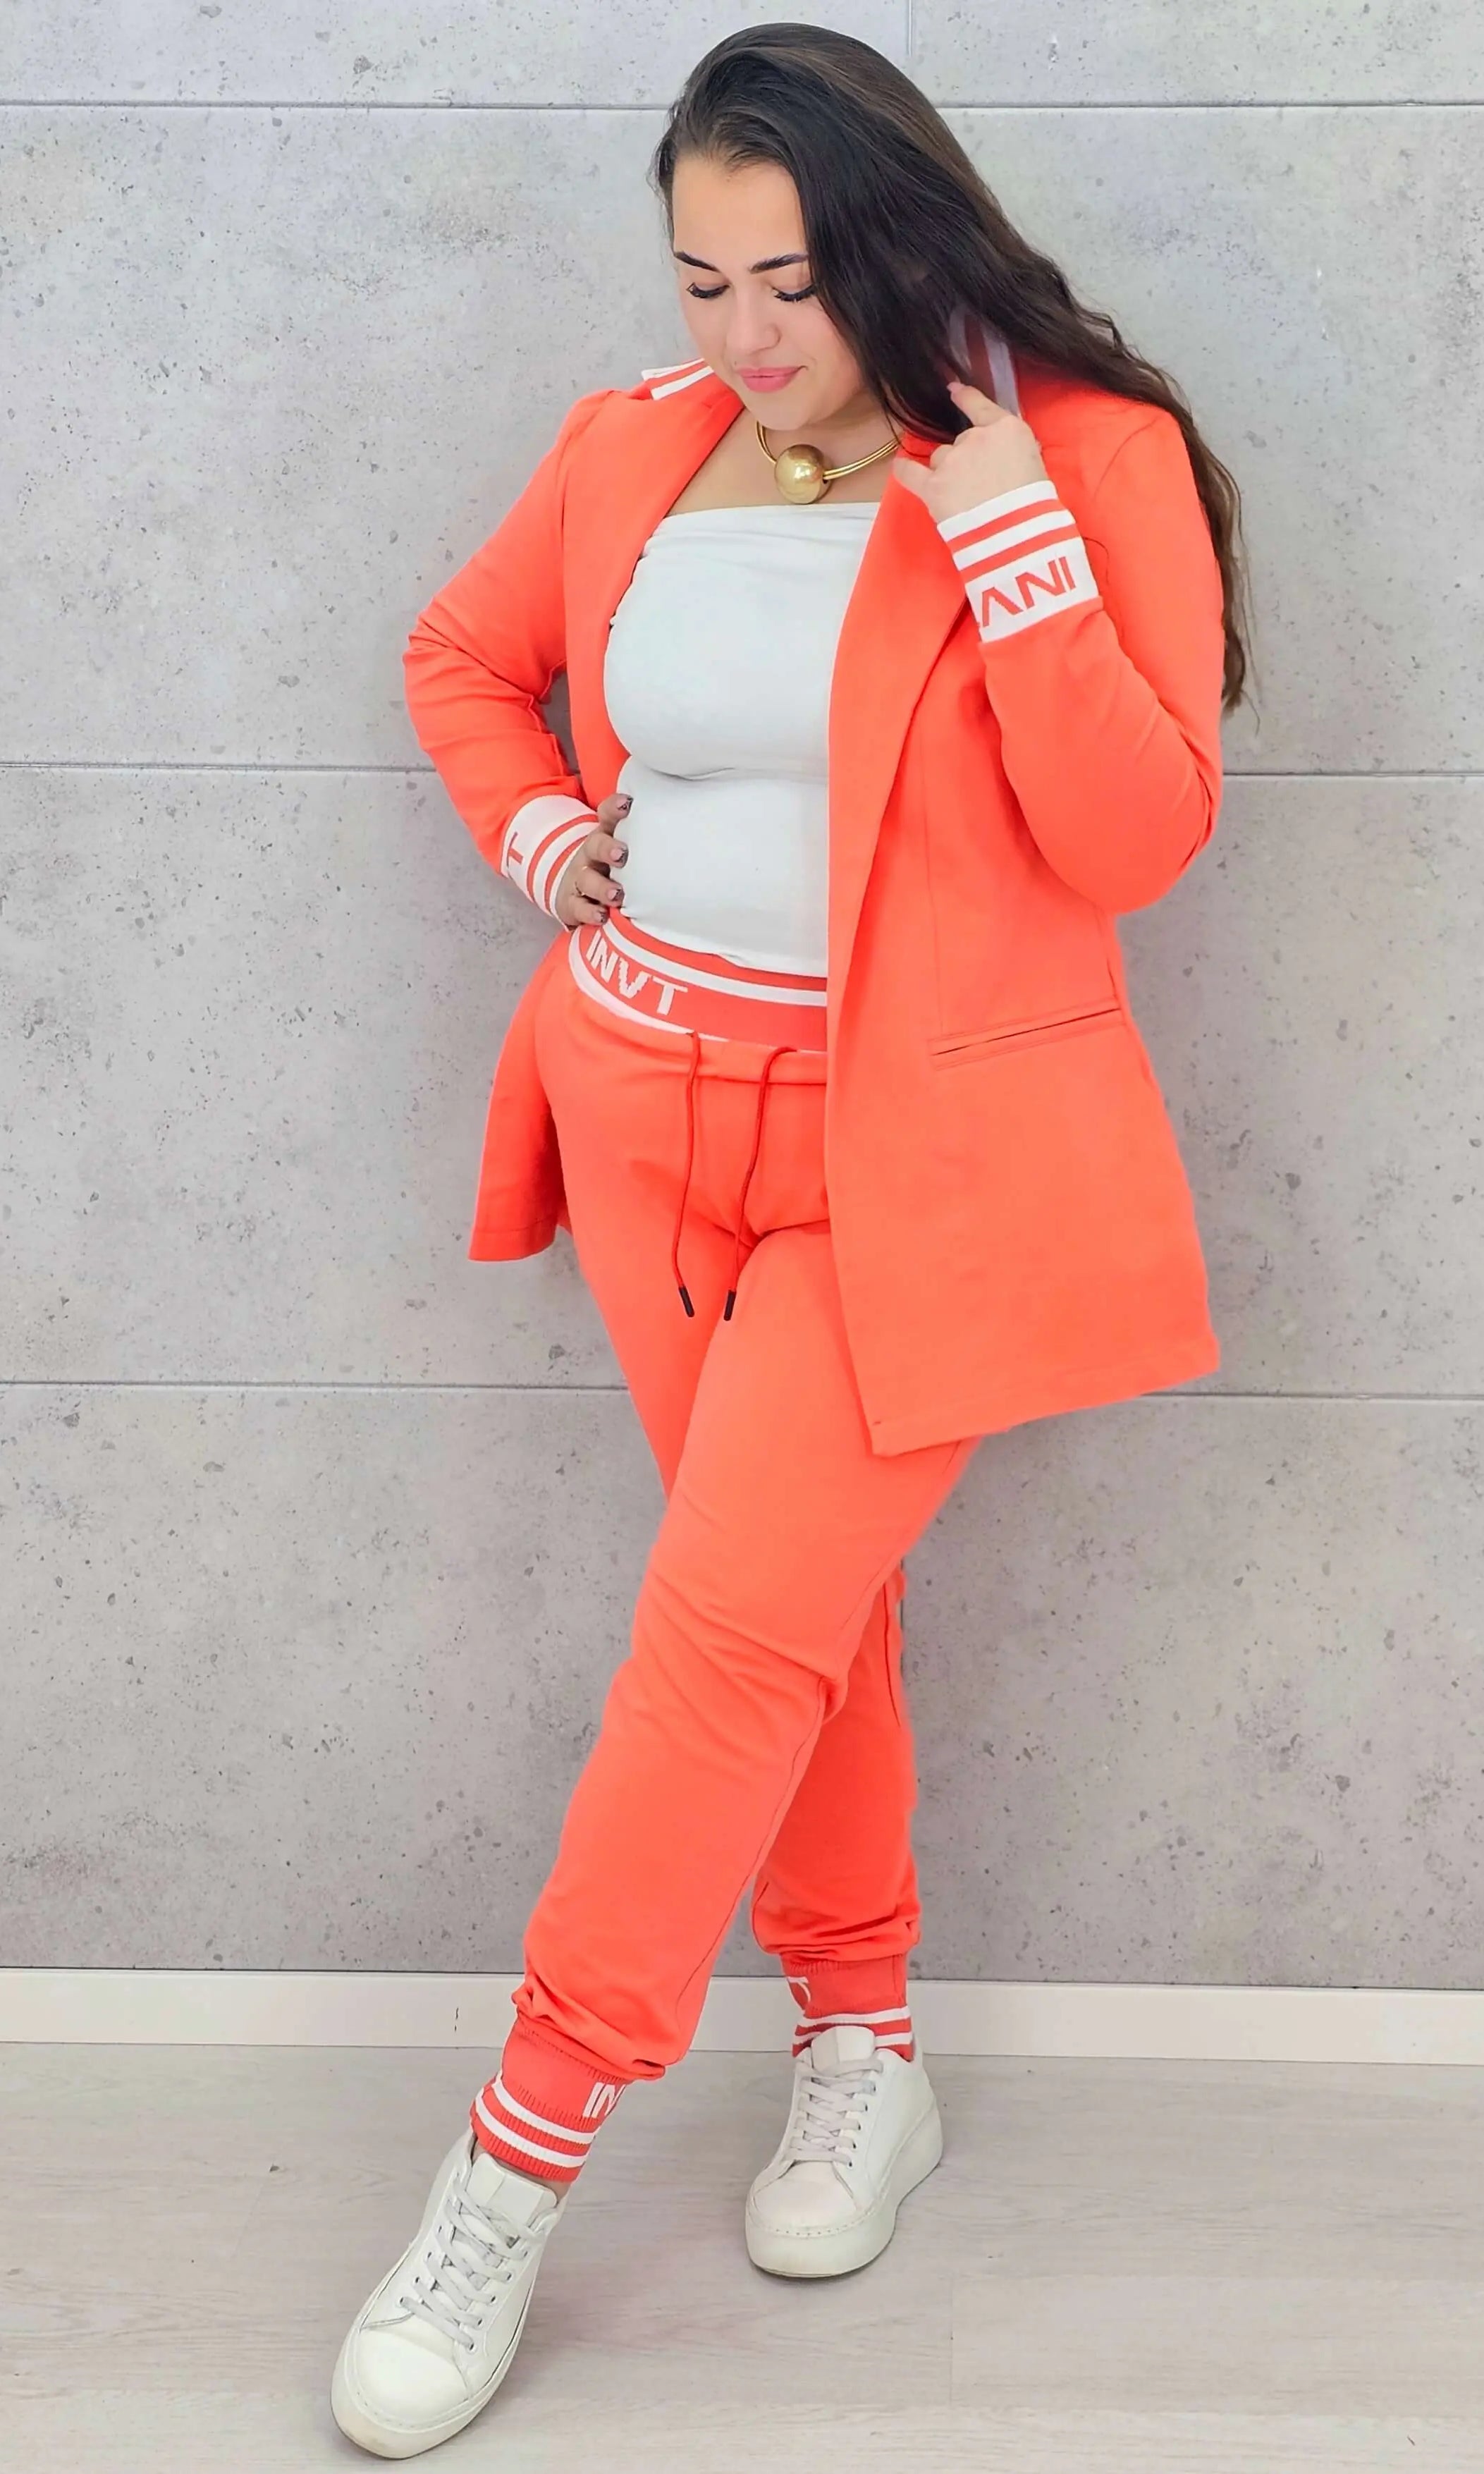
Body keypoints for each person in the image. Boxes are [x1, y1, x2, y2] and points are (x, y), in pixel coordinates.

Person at [331, 21, 1250, 2458]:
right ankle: (863, 2042)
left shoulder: (1081, 458)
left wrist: (1005, 528)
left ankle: (508, 2166)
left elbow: (1138, 836)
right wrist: (544, 837)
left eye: (795, 279)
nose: (749, 333)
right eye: (703, 277)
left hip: (901, 1162)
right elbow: (461, 657)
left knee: (721, 1646)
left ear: (895, 242)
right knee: (798, 1629)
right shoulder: (631, 441)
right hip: (641, 1109)